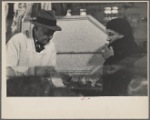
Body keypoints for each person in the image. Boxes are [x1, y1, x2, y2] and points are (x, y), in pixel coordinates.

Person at [101, 18, 145, 96]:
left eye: (111, 34)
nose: (107, 38)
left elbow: (121, 80)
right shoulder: (118, 50)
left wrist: (109, 59)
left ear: (122, 34)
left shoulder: (133, 52)